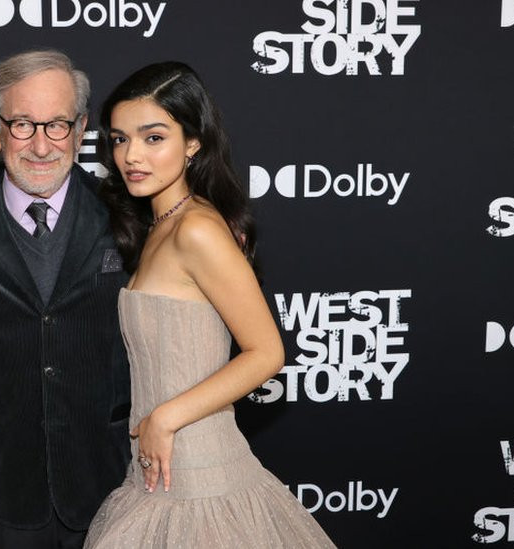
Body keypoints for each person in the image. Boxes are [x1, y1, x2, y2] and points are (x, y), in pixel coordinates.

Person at [84, 62, 336, 548]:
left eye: (153, 138)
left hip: (199, 474)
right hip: (159, 471)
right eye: (119, 139)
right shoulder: (161, 225)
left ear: (192, 143)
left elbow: (266, 353)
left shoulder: (197, 229)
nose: (131, 156)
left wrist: (165, 417)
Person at [0, 50, 131, 548]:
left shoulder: (130, 220)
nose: (43, 145)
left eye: (58, 125)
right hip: (3, 485)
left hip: (113, 478)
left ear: (82, 127)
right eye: (24, 124)